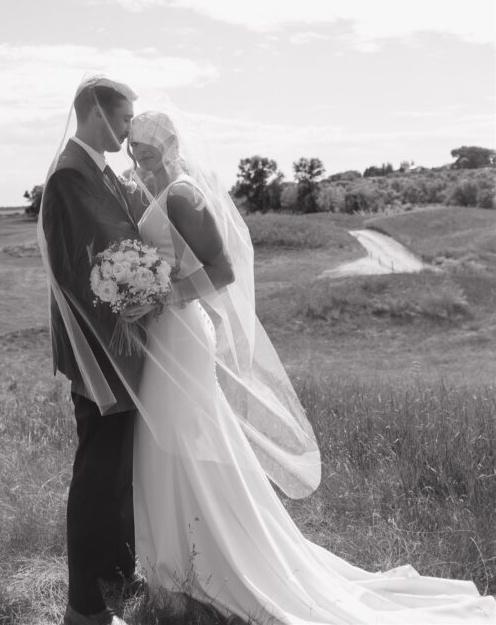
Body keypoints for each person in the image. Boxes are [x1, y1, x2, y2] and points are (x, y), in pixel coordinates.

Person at [126, 109, 496, 625]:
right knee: (165, 439)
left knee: (188, 435)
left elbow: (223, 269)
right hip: (167, 334)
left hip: (183, 331)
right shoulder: (157, 192)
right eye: (132, 149)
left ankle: (211, 561)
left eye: (144, 149)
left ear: (168, 146)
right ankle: (173, 566)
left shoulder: (184, 194)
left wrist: (162, 293)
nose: (137, 157)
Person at [39, 77, 148, 625]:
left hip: (118, 341)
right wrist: (142, 295)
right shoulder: (68, 174)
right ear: (98, 114)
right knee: (98, 476)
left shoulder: (98, 170)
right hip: (98, 347)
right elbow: (78, 270)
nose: (129, 130)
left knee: (116, 471)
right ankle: (83, 609)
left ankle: (115, 583)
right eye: (125, 118)